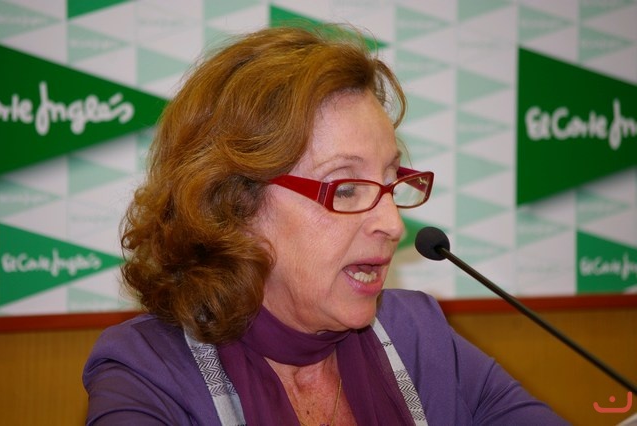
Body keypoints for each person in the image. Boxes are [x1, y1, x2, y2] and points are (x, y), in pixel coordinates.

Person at [82, 24, 568, 425]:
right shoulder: (147, 373)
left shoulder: (419, 335)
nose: (393, 225)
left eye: (391, 182)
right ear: (234, 204)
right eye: (346, 189)